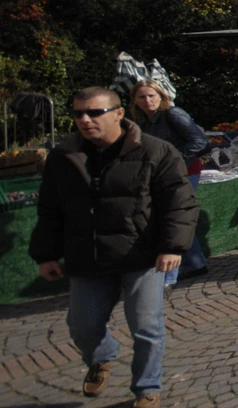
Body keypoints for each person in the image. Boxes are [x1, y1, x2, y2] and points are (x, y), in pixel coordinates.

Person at [31, 86, 197, 408]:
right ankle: (102, 356)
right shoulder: (63, 156)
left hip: (141, 254)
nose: (85, 119)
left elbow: (180, 202)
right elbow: (50, 209)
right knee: (82, 326)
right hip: (87, 255)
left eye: (95, 112)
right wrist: (46, 254)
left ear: (119, 113)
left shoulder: (155, 151)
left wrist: (172, 247)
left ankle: (147, 387)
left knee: (146, 327)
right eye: (79, 113)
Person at [128, 82, 211, 289]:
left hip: (183, 172)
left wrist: (175, 162)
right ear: (135, 101)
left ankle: (168, 278)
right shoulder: (142, 121)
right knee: (174, 217)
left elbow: (200, 142)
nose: (147, 101)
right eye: (142, 97)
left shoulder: (173, 114)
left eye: (151, 95)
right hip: (161, 175)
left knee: (171, 217)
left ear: (161, 96)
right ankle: (196, 262)